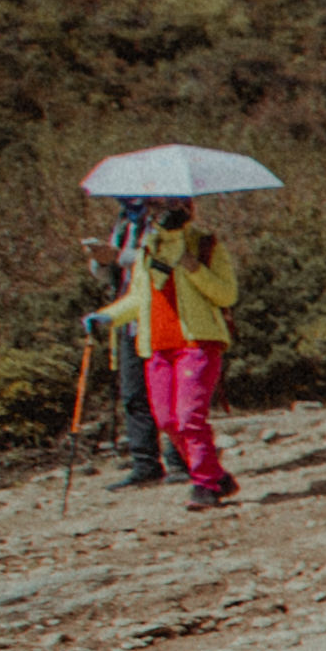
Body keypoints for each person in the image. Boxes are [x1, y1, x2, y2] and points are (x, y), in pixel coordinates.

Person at [127, 204, 239, 509]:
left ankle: (204, 484)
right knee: (167, 420)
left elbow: (227, 295)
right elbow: (138, 299)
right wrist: (106, 318)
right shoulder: (146, 250)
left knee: (190, 417)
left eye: (175, 204)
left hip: (197, 342)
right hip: (158, 347)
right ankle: (215, 475)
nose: (165, 213)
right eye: (160, 206)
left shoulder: (206, 245)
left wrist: (191, 266)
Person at [83, 205, 167, 486]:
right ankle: (145, 463)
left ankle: (181, 459)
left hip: (161, 317)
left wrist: (118, 256)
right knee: (133, 394)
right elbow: (106, 274)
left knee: (166, 393)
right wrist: (102, 260)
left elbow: (160, 262)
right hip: (128, 316)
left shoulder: (165, 222)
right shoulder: (123, 225)